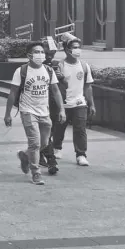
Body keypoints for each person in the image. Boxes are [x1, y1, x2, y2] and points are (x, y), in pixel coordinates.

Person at [3, 41, 66, 185]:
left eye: (42, 52)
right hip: (28, 111)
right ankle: (36, 173)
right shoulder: (21, 71)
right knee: (35, 143)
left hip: (44, 112)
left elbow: (56, 91)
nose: (40, 54)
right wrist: (7, 114)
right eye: (36, 52)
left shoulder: (49, 70)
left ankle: (25, 156)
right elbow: (12, 93)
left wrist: (62, 109)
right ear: (29, 55)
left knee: (43, 143)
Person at [50, 35, 96, 167]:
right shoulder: (60, 65)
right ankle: (57, 147)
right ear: (67, 50)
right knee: (59, 128)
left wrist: (91, 104)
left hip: (79, 103)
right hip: (63, 104)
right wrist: (60, 79)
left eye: (78, 47)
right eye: (74, 48)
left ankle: (81, 154)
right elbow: (55, 87)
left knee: (80, 129)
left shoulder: (84, 65)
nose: (77, 50)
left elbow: (88, 86)